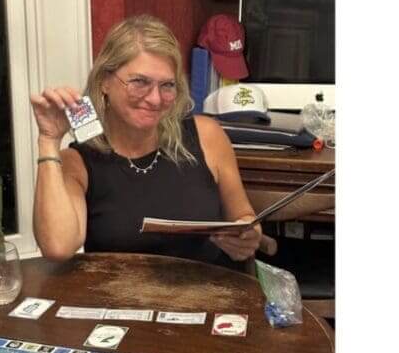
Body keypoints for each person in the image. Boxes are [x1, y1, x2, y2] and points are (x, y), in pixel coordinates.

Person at [31, 15, 262, 271]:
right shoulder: (78, 162)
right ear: (104, 81)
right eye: (139, 82)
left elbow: (244, 217)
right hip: (122, 294)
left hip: (211, 290)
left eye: (167, 85)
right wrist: (49, 140)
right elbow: (58, 247)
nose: (155, 99)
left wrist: (248, 236)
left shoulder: (207, 135)